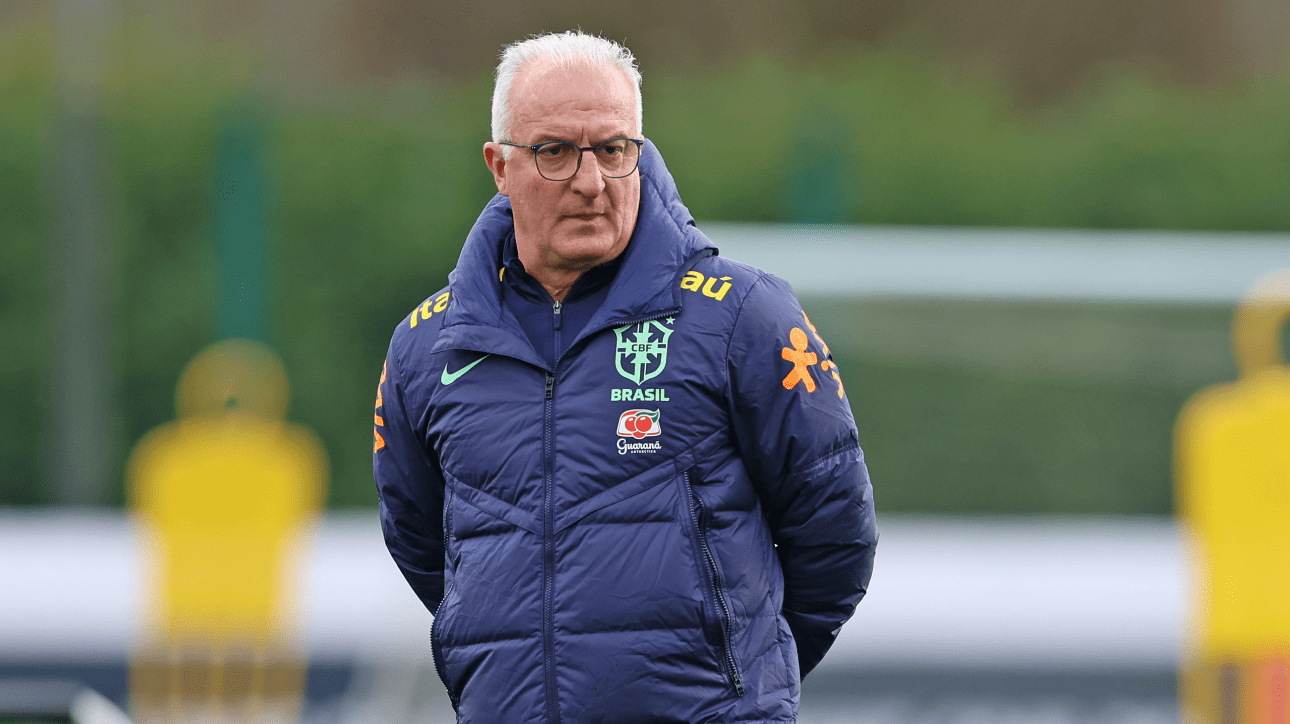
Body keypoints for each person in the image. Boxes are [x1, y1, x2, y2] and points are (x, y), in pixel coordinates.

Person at [373, 30, 877, 723]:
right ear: (499, 165)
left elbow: (836, 531)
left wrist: (740, 673)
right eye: (555, 152)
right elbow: (424, 547)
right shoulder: (425, 347)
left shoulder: (743, 317)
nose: (590, 181)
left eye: (613, 150)